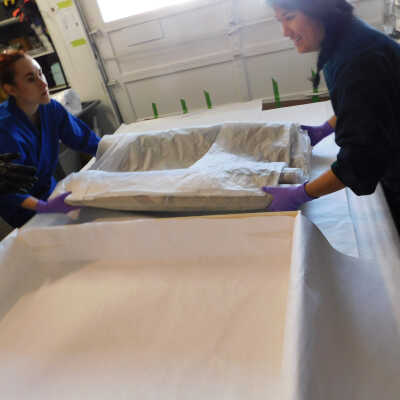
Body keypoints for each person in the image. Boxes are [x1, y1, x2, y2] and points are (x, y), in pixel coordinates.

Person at [262, 0, 400, 233]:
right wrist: (325, 129)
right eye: (280, 21)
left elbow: (360, 161)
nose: (285, 32)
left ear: (319, 10)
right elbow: (363, 104)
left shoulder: (359, 60)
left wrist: (302, 193)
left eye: (289, 17)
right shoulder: (344, 39)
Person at [0, 50, 100, 227]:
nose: (43, 83)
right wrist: (44, 207)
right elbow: (9, 188)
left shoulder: (51, 108)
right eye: (31, 79)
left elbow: (85, 140)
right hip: (23, 207)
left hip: (51, 193)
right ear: (11, 89)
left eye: (40, 73)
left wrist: (120, 153)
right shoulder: (5, 129)